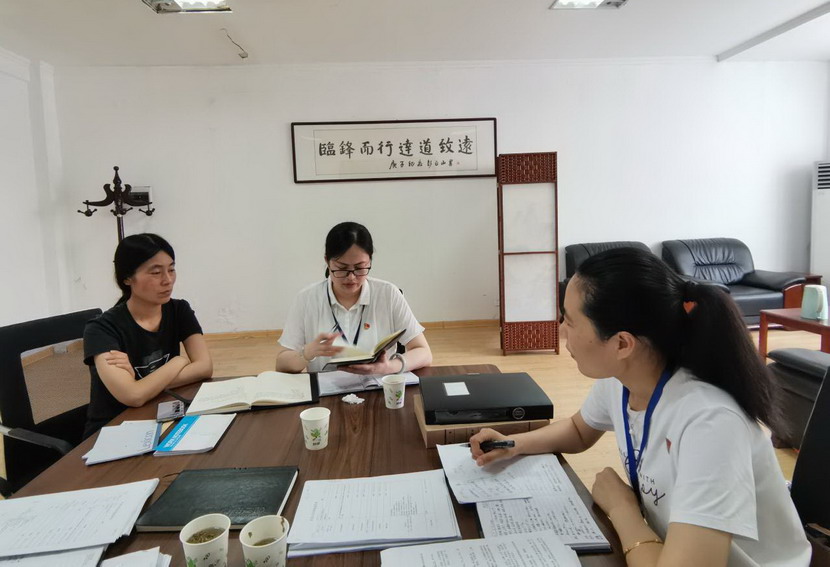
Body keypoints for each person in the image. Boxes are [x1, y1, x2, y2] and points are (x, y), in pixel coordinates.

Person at [470, 248, 810, 567]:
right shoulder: (623, 379)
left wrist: (622, 509)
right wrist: (513, 444)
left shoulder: (710, 422)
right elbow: (578, 430)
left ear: (622, 343)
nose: (561, 332)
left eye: (570, 322)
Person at [82, 233, 213, 437]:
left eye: (171, 269)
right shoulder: (102, 329)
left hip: (159, 416)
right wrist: (178, 361)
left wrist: (142, 384)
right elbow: (133, 396)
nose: (167, 280)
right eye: (156, 272)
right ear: (127, 278)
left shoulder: (179, 310)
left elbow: (205, 367)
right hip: (113, 431)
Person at [276, 221, 432, 375]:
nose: (351, 277)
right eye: (342, 268)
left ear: (370, 261)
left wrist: (388, 367)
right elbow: (282, 364)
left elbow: (423, 352)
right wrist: (307, 353)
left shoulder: (388, 294)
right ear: (327, 261)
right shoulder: (307, 299)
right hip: (325, 389)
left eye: (359, 268)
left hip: (377, 386)